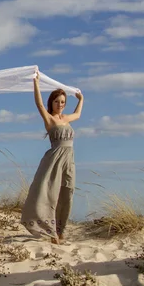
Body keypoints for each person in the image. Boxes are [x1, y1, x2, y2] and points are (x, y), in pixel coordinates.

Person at [20, 68, 84, 245]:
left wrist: (81, 99)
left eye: (63, 102)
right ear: (52, 103)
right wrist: (36, 82)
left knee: (67, 193)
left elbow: (78, 114)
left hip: (69, 160)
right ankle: (50, 232)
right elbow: (39, 104)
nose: (60, 104)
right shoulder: (50, 119)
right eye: (57, 101)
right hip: (54, 160)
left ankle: (61, 230)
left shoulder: (67, 119)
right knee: (50, 194)